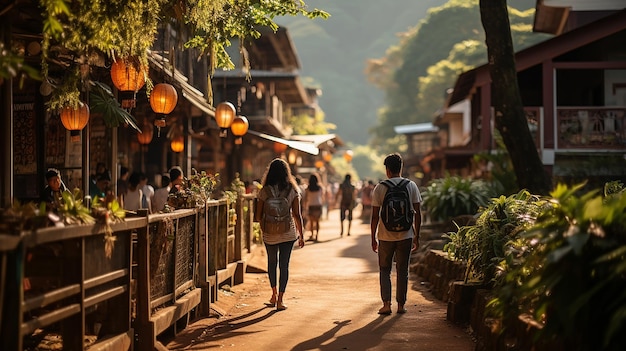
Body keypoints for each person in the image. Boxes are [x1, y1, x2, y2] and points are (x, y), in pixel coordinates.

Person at [370, 153, 422, 315]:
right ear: (401, 168)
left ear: (387, 170)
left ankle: (386, 305)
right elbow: (417, 213)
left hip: (385, 237)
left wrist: (373, 238)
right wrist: (416, 235)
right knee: (402, 270)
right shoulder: (411, 186)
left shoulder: (380, 187)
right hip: (406, 235)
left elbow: (374, 216)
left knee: (385, 269)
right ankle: (401, 305)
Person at [254, 158, 305, 311]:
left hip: (269, 233)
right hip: (288, 232)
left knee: (271, 263)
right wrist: (301, 234)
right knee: (284, 265)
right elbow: (297, 214)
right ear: (286, 172)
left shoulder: (264, 190)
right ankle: (281, 300)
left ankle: (273, 294)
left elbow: (257, 216)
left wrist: (266, 224)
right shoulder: (292, 190)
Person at [303, 173, 325, 241]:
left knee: (311, 222)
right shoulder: (320, 188)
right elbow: (322, 196)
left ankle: (312, 235)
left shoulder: (308, 188)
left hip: (311, 205)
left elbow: (306, 198)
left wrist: (305, 207)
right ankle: (317, 236)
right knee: (317, 221)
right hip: (318, 205)